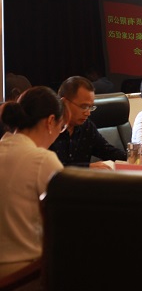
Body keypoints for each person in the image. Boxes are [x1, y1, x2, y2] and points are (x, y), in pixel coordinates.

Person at [0, 86, 65, 277]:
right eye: (61, 127)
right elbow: (68, 217)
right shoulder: (41, 160)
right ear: (51, 121)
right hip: (22, 272)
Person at [50, 76, 126, 167]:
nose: (88, 113)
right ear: (64, 103)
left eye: (90, 107)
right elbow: (51, 168)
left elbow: (107, 151)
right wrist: (88, 167)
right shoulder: (48, 128)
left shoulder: (86, 126)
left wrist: (135, 157)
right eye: (84, 107)